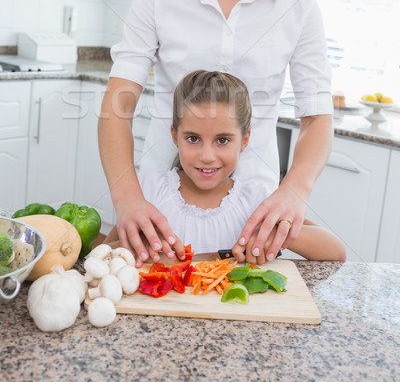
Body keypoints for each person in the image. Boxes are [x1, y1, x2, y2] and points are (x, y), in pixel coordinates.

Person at [98, 0, 333, 265]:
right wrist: (128, 197)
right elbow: (118, 103)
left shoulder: (299, 7)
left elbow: (317, 117)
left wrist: (295, 191)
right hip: (158, 216)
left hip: (254, 222)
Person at [104, 71, 345, 266]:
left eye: (222, 140)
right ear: (175, 136)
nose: (207, 156)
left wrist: (276, 234)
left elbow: (337, 251)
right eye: (193, 139)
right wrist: (133, 247)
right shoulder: (148, 193)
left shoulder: (256, 201)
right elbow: (101, 253)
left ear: (245, 140)